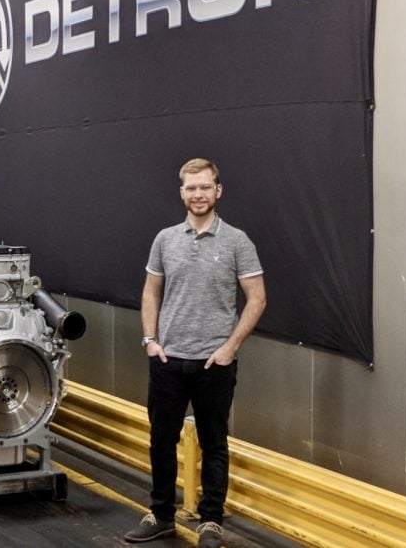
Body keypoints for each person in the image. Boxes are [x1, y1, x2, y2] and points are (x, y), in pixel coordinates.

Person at [124, 158, 266, 548]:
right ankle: (162, 515)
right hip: (168, 361)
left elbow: (257, 299)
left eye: (205, 187)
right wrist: (150, 340)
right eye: (191, 188)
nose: (198, 194)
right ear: (182, 192)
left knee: (214, 442)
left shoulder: (237, 241)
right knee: (160, 440)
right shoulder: (165, 239)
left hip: (213, 364)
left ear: (218, 191)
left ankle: (211, 521)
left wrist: (229, 348)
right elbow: (151, 292)